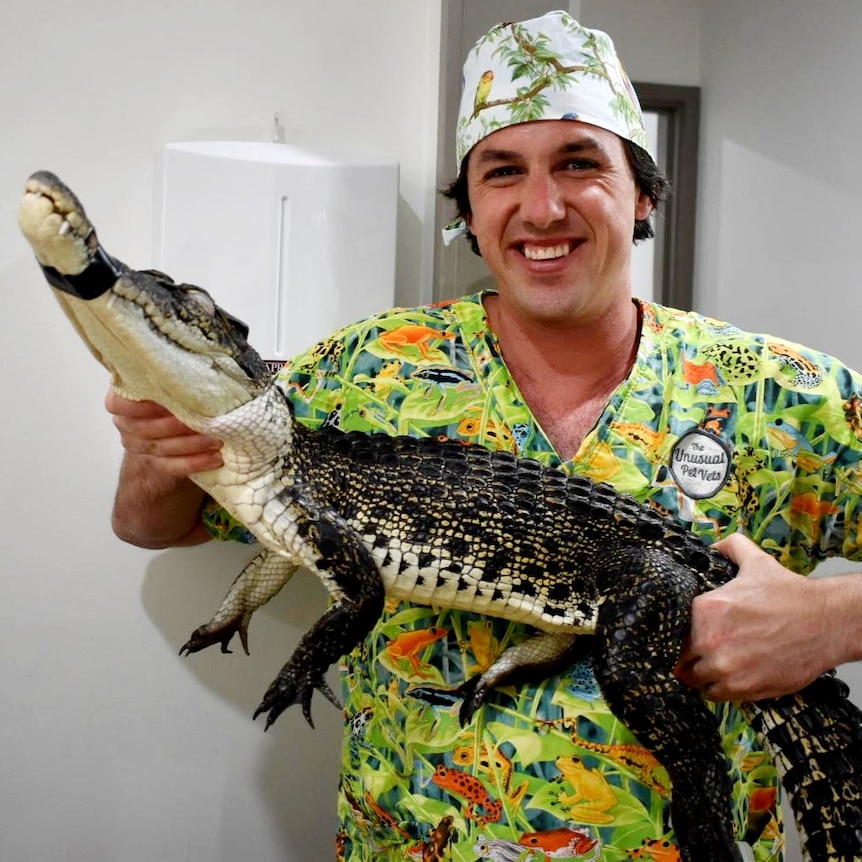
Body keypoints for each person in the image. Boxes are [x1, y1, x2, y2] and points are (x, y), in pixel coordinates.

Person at [107, 11, 862, 859]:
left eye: (580, 163)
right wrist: (152, 452)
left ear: (642, 192)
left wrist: (836, 617)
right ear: (470, 209)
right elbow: (156, 525)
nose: (542, 208)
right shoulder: (360, 366)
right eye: (502, 173)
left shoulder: (789, 391)